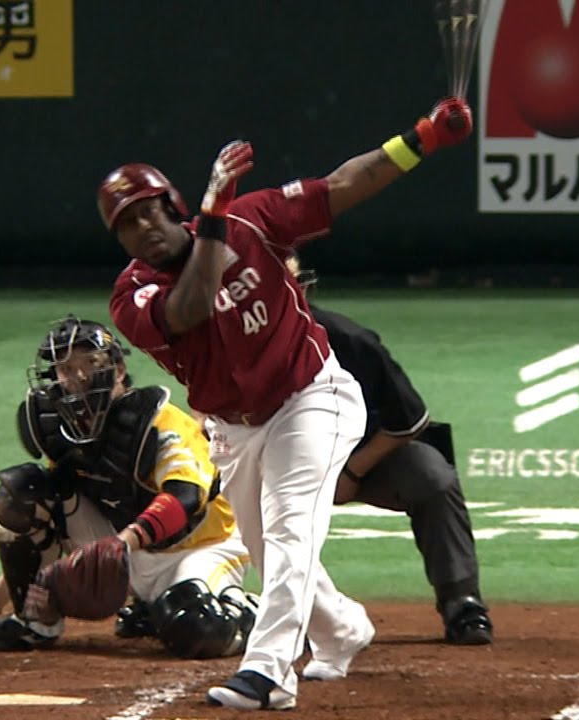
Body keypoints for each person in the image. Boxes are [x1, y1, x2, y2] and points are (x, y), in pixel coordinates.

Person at [102, 97, 475, 710]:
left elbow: (343, 185)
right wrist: (212, 218)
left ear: (172, 205)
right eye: (126, 223)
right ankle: (342, 628)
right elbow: (192, 305)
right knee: (265, 546)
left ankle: (269, 672)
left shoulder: (250, 220)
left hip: (312, 398)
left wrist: (423, 137)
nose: (143, 227)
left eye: (149, 211)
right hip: (235, 430)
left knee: (290, 528)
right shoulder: (132, 296)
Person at [0, 315, 259, 660]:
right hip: (123, 544)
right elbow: (53, 506)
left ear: (118, 370)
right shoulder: (58, 428)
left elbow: (185, 497)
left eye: (90, 364)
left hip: (199, 545)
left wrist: (124, 542)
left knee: (198, 628)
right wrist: (10, 582)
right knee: (21, 493)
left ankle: (256, 613)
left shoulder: (160, 422)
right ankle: (35, 618)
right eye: (66, 368)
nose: (78, 377)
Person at [289, 260, 494, 646]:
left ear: (302, 288)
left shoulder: (349, 340)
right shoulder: (242, 348)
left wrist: (351, 472)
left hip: (367, 457)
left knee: (430, 476)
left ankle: (461, 600)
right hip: (280, 463)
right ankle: (263, 607)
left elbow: (409, 418)